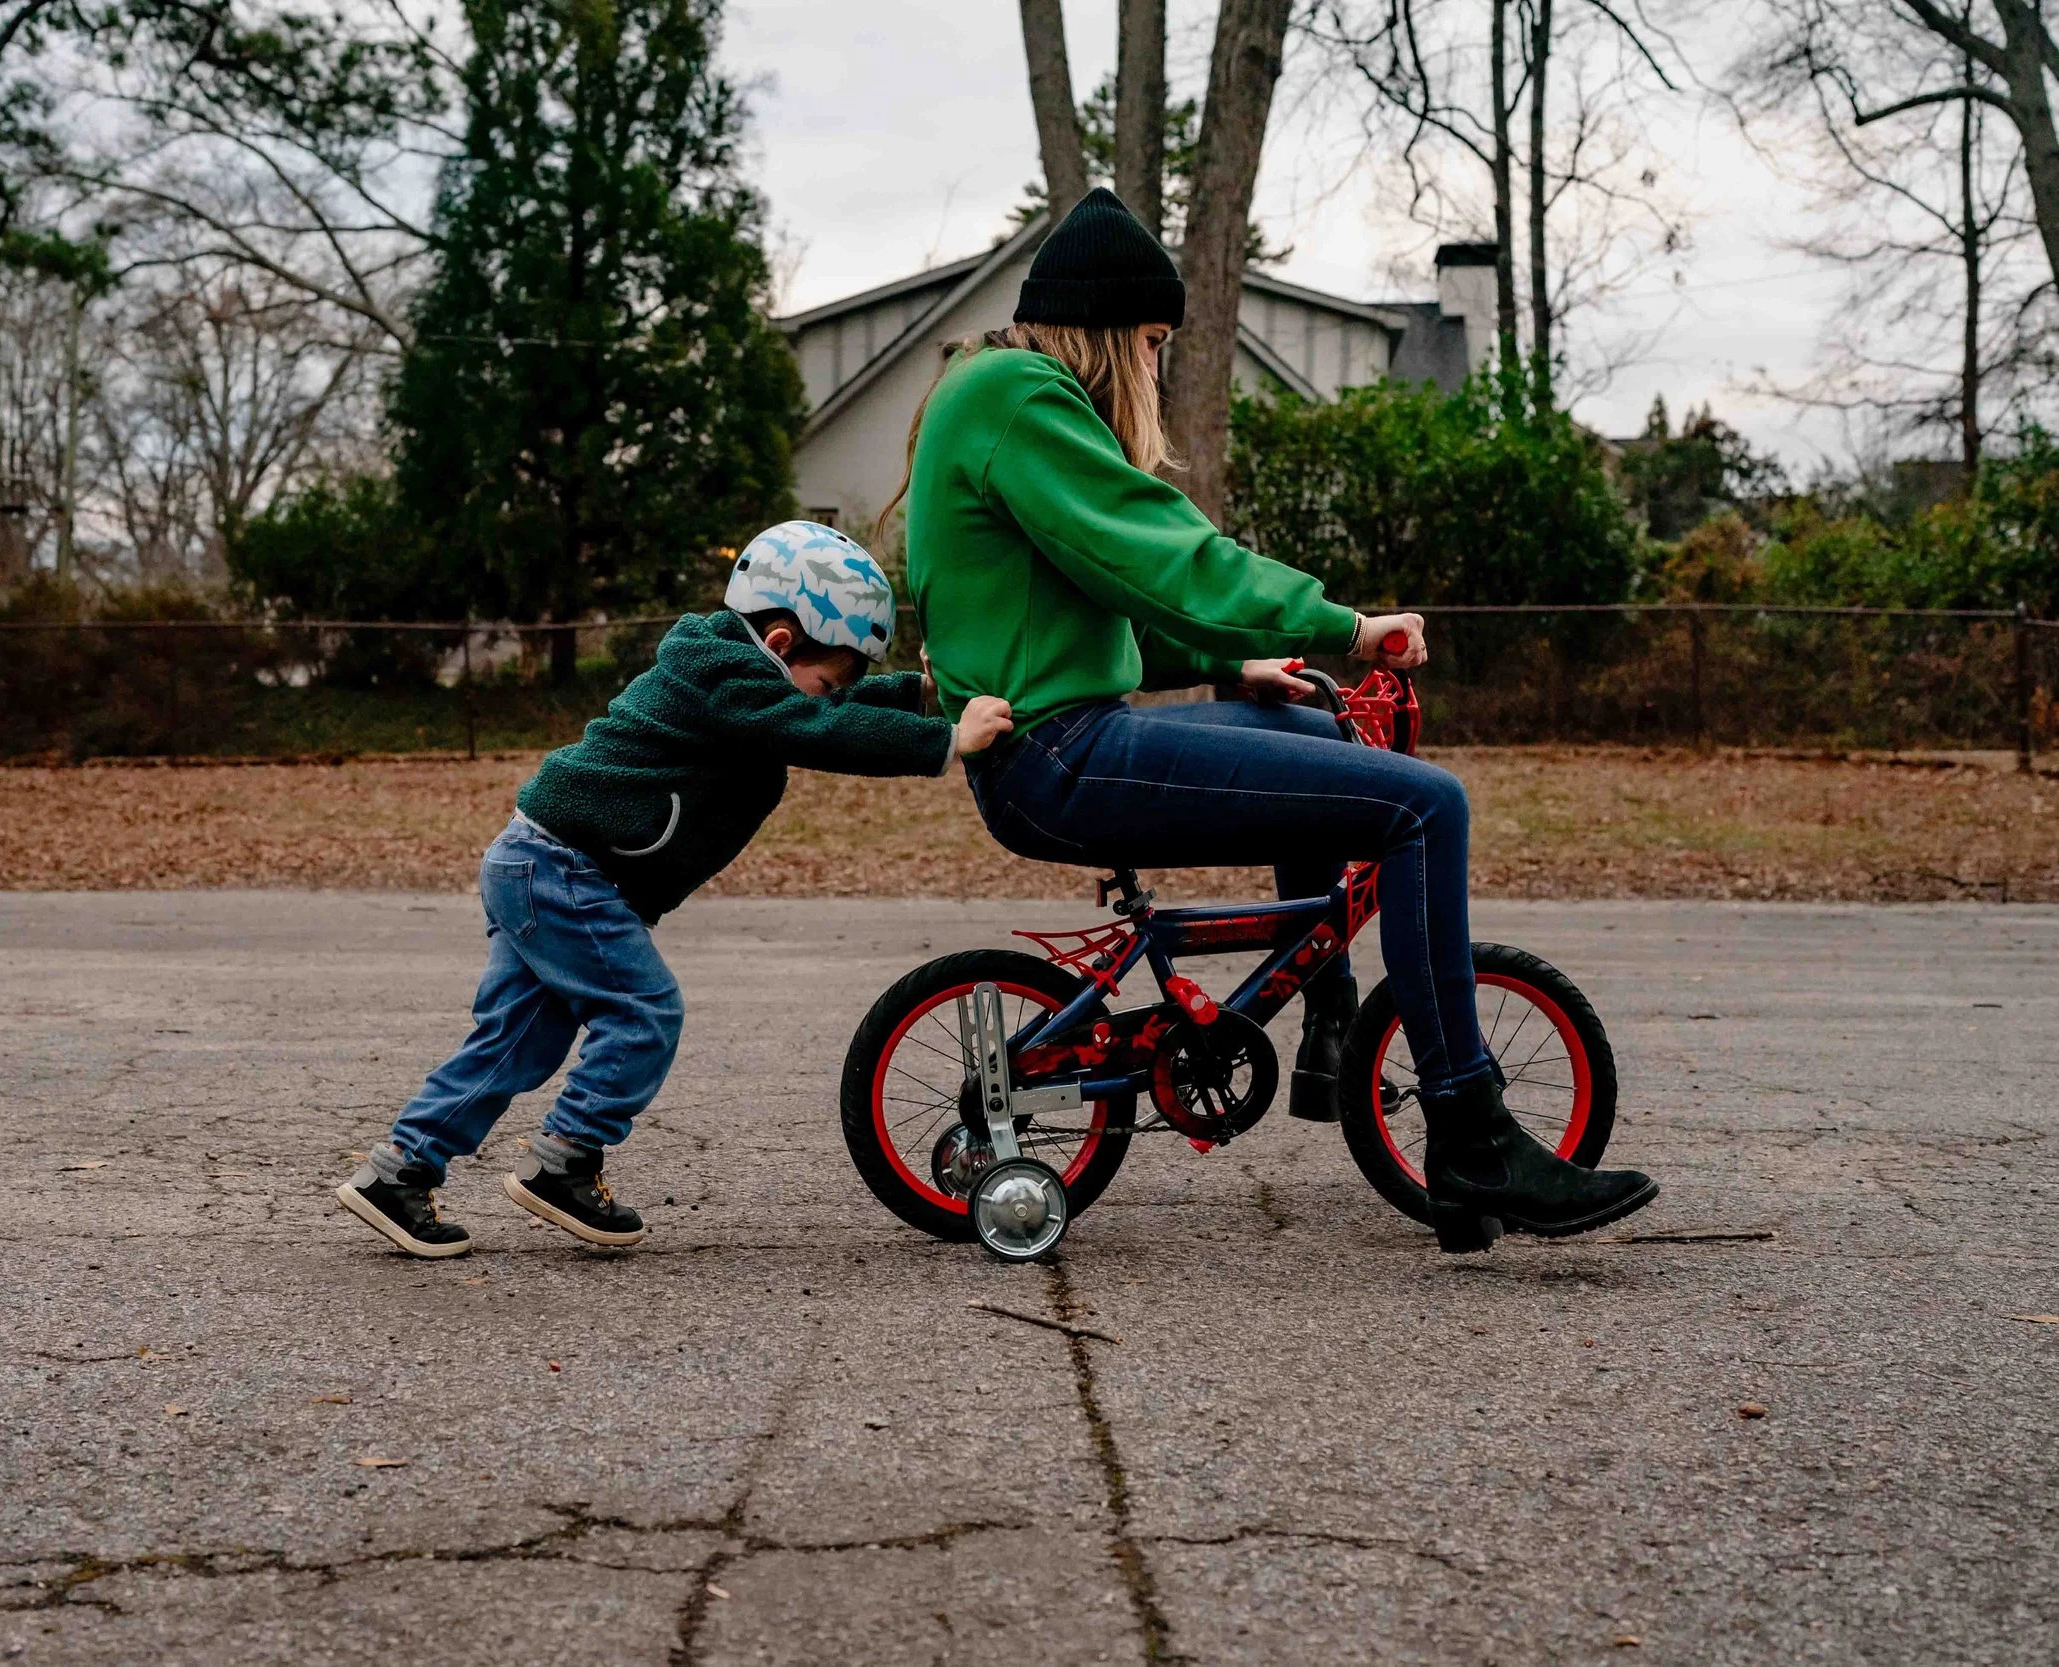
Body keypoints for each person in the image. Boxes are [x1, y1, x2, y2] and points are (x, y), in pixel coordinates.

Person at [895, 188, 1657, 1251]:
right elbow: (1157, 551)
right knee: (1428, 806)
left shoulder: (989, 394)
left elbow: (1079, 611)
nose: (1155, 368)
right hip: (1061, 758)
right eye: (1154, 341)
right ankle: (1470, 1131)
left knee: (1313, 740)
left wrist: (1231, 660)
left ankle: (1332, 1026)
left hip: (1057, 740)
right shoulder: (1019, 394)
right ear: (1111, 327)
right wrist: (1343, 623)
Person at [337, 522, 1015, 1257]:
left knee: (518, 1041)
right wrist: (946, 742)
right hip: (564, 867)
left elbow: (823, 708)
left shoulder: (738, 672)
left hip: (538, 861)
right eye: (832, 676)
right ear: (782, 642)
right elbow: (816, 726)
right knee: (644, 1010)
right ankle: (564, 1160)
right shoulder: (721, 675)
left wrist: (919, 693)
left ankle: (397, 1174)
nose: (834, 694)